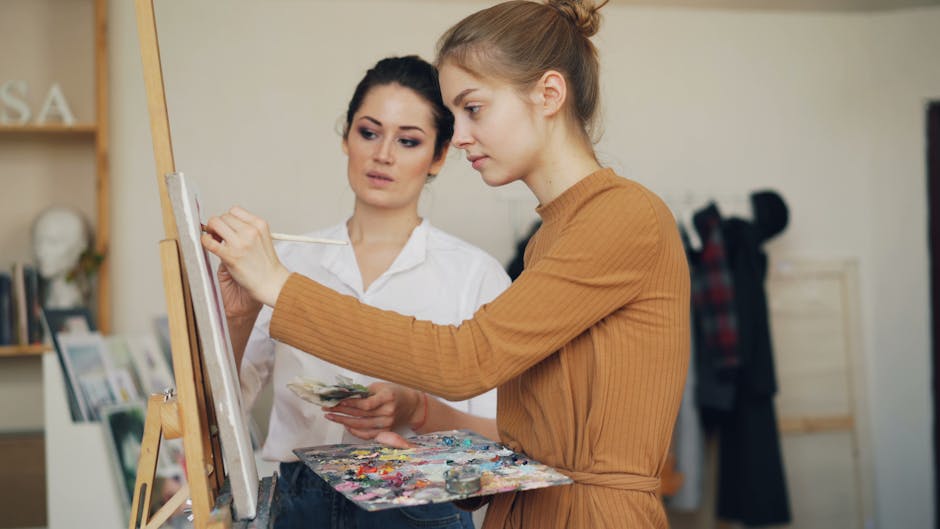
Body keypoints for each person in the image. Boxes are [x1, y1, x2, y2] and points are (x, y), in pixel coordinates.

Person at [204, 1, 690, 527]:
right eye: (454, 116)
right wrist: (425, 437)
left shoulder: (621, 216)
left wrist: (279, 284)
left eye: (473, 109)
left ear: (549, 94)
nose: (458, 137)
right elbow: (527, 442)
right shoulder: (554, 236)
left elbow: (465, 359)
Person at [226, 56, 509, 529]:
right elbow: (221, 408)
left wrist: (413, 408)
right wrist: (236, 317)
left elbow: (505, 437)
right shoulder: (286, 265)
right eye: (369, 132)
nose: (384, 155)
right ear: (346, 137)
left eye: (409, 140)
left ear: (439, 156)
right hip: (301, 504)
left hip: (421, 501)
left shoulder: (476, 275)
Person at [32, 205, 91, 308]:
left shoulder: (72, 302)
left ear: (80, 247)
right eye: (38, 241)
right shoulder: (41, 297)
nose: (40, 252)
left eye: (53, 242)